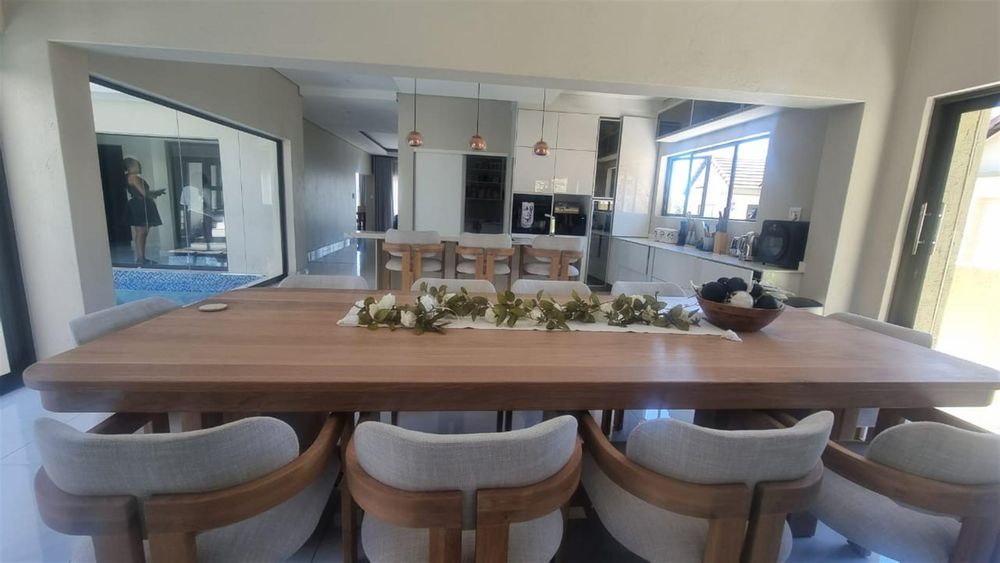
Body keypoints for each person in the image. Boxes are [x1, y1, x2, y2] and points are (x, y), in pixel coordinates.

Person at [123, 157, 165, 265]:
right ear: (130, 166)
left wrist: (155, 193)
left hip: (139, 204)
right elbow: (144, 193)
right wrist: (155, 193)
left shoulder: (129, 177)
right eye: (137, 164)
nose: (139, 166)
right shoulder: (133, 177)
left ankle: (141, 258)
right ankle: (141, 258)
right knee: (141, 232)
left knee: (142, 232)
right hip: (140, 205)